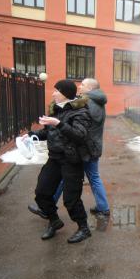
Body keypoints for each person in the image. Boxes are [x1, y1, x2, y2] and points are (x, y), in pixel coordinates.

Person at [28, 78, 111, 220]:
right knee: (90, 177)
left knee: (68, 177)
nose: (79, 86)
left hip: (85, 148)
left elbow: (81, 128)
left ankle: (48, 207)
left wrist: (60, 123)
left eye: (83, 85)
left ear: (90, 89)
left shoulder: (88, 103)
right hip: (92, 146)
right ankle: (103, 207)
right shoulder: (97, 102)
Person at [27, 79, 93, 243]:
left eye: (57, 91)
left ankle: (84, 228)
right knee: (42, 193)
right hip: (54, 158)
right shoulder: (56, 110)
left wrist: (59, 124)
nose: (53, 93)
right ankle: (54, 221)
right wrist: (29, 136)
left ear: (65, 94)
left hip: (72, 160)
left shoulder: (81, 112)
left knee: (71, 199)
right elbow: (48, 132)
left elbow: (79, 135)